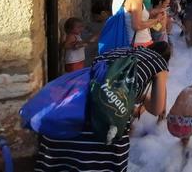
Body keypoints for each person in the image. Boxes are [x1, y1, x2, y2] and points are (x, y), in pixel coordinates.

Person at [35, 42, 171, 172]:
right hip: (102, 134)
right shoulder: (159, 64)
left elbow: (105, 86)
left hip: (69, 112)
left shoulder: (118, 51)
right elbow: (157, 109)